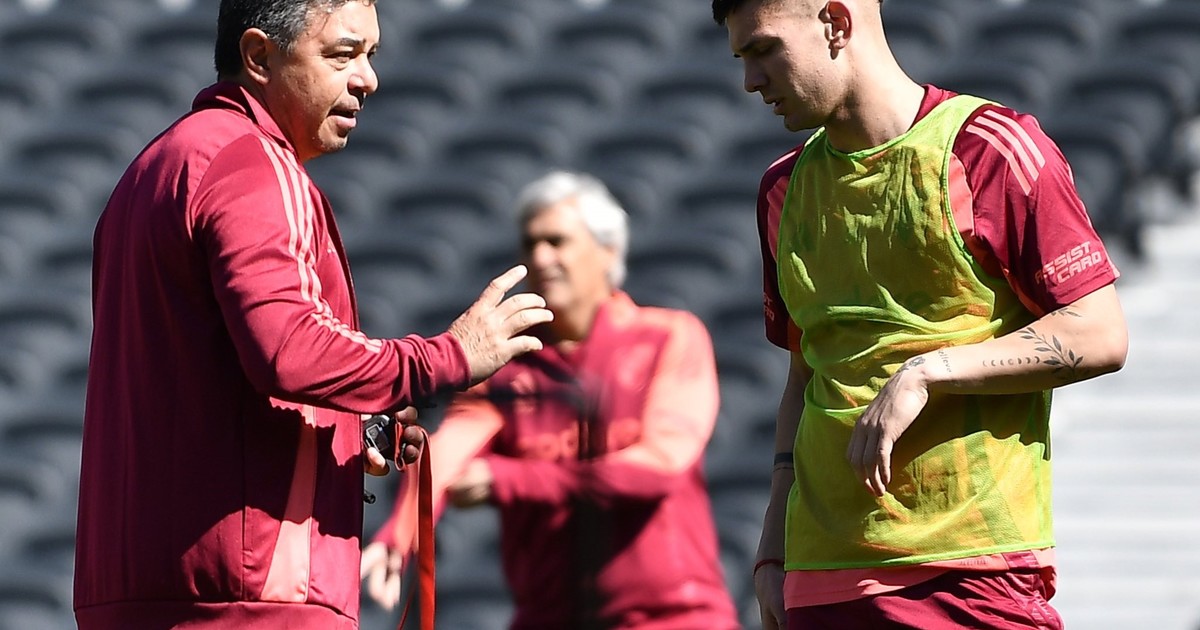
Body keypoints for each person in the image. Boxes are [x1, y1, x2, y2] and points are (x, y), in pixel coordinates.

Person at [74, 1, 553, 628]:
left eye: (370, 56)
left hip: (130, 586)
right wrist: (449, 356)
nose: (368, 78)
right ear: (258, 56)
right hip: (252, 596)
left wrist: (351, 426)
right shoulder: (253, 161)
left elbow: (204, 376)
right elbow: (288, 349)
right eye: (342, 54)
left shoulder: (147, 174)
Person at [711, 1, 1130, 628]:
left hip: (966, 570)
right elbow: (805, 375)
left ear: (835, 22)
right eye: (742, 58)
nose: (751, 80)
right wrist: (773, 550)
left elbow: (1098, 332)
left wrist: (929, 371)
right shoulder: (782, 188)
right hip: (820, 576)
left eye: (765, 50)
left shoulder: (988, 149)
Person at [360, 171, 741, 630]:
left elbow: (661, 465)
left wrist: (511, 479)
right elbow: (449, 451)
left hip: (671, 617)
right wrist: (399, 534)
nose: (541, 257)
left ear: (608, 252)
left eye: (557, 241)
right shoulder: (507, 364)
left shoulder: (667, 337)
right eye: (530, 243)